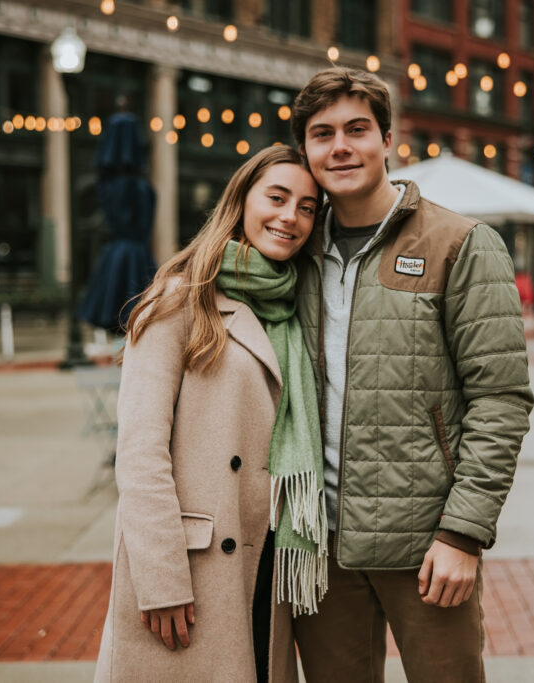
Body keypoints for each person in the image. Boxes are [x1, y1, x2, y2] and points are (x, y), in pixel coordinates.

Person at [289, 67, 534, 682]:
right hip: (320, 546)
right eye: (322, 134)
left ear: (388, 138)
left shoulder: (462, 243)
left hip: (426, 544)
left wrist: (464, 533)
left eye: (356, 129)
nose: (340, 146)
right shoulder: (292, 250)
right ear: (305, 151)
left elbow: (501, 398)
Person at [93, 146, 327, 683]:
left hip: (269, 564)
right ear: (240, 202)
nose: (290, 216)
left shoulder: (296, 310)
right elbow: (140, 453)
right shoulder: (180, 300)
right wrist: (161, 579)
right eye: (277, 197)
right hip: (194, 569)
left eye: (308, 207)